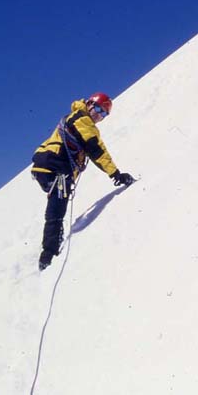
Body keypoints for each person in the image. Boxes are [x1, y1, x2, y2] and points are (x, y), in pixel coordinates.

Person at [31, 92, 135, 270]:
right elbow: (97, 150)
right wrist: (116, 174)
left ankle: (50, 246)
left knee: (57, 201)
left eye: (103, 114)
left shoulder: (73, 117)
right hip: (57, 167)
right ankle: (48, 254)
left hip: (45, 167)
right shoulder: (83, 120)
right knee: (57, 208)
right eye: (97, 109)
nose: (98, 115)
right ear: (89, 104)